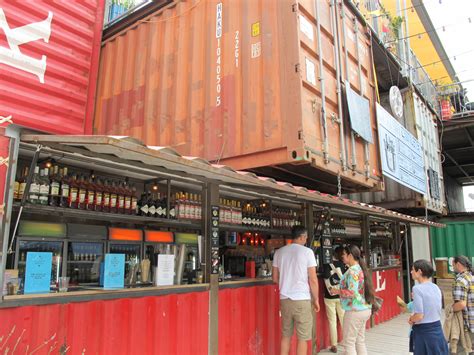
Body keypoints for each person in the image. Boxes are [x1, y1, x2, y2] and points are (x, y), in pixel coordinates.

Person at [272, 226, 320, 355]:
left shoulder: (279, 252)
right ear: (302, 237)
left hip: (285, 299)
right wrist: (316, 299)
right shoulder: (307, 252)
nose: (306, 239)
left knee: (286, 335)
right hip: (301, 300)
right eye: (306, 237)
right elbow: (313, 279)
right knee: (302, 338)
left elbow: (275, 278)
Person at [337, 245, 375, 355]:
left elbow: (352, 293)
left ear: (350, 255)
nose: (342, 257)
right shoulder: (359, 268)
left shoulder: (352, 271)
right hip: (364, 308)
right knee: (359, 341)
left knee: (349, 343)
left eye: (344, 254)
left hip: (354, 310)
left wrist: (337, 291)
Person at [409, 259, 448, 355]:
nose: (411, 272)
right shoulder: (435, 287)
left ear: (419, 271)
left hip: (424, 331)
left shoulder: (417, 289)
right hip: (437, 329)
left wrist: (411, 319)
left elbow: (419, 315)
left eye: (413, 269)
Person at [323, 246, 347, 353]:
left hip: (329, 296)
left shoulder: (327, 264)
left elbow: (325, 276)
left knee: (332, 321)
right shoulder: (343, 265)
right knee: (343, 320)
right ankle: (347, 343)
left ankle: (334, 345)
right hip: (341, 295)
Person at [452, 255, 474, 354]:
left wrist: (450, 309)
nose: (453, 268)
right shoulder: (471, 277)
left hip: (466, 324)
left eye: (453, 265)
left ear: (458, 264)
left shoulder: (461, 280)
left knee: (460, 351)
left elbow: (461, 304)